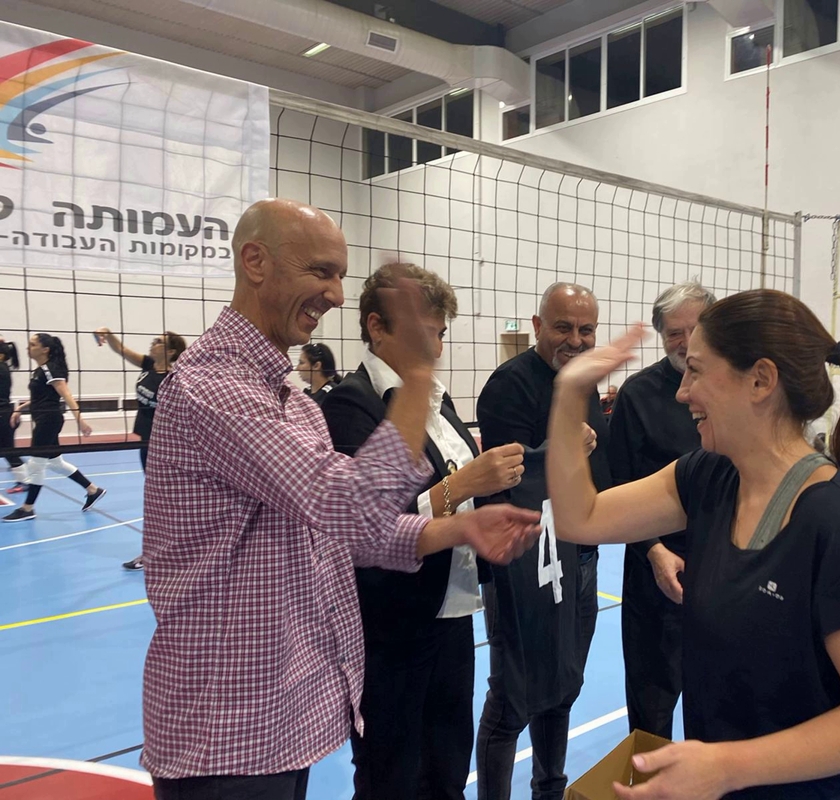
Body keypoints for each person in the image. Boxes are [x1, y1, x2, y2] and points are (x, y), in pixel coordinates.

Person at [140, 198, 541, 800]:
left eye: (340, 275)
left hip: (281, 714)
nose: (334, 293)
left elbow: (353, 529)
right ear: (255, 261)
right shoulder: (213, 388)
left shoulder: (292, 401)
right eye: (320, 271)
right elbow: (349, 503)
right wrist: (417, 378)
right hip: (224, 723)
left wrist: (460, 529)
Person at [546, 289, 840, 800]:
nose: (682, 392)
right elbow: (578, 517)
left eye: (697, 371)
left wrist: (726, 766)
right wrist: (570, 392)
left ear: (761, 381)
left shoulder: (836, 524)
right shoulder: (709, 477)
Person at [321, 263, 526, 800]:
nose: (434, 348)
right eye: (423, 333)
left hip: (452, 612)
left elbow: (458, 491)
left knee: (448, 770)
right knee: (391, 776)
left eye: (439, 333)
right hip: (391, 624)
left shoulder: (439, 399)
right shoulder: (349, 404)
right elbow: (367, 525)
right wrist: (465, 483)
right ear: (377, 327)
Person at [474, 282, 611, 800]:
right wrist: (563, 448)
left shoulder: (584, 385)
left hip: (581, 559)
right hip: (522, 565)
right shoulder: (509, 386)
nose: (575, 340)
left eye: (586, 330)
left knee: (563, 685)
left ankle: (549, 790)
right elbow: (509, 478)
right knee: (513, 698)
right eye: (563, 327)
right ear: (537, 326)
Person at [607, 281, 715, 740]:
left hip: (724, 568)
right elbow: (619, 485)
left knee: (720, 702)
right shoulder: (638, 395)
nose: (685, 341)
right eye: (674, 332)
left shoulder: (733, 387)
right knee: (652, 707)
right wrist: (652, 549)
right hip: (656, 574)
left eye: (695, 329)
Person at [95, 327, 188, 570]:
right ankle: (164, 548)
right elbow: (121, 350)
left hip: (164, 445)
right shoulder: (148, 364)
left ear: (170, 351)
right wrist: (108, 334)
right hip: (145, 442)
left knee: (162, 501)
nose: (152, 343)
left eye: (158, 341)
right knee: (158, 500)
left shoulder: (175, 377)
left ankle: (154, 553)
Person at [3, 333, 105, 523]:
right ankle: (93, 490)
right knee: (55, 463)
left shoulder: (51, 369)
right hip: (44, 418)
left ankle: (27, 508)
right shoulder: (40, 370)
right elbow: (43, 396)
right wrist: (21, 408)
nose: (28, 348)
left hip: (48, 421)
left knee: (36, 463)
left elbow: (65, 394)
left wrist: (80, 420)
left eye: (33, 344)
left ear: (45, 349)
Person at [0, 339, 29, 493]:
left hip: (3, 415)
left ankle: (25, 481)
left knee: (8, 451)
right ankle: (24, 481)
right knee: (8, 450)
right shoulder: (4, 367)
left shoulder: (1, 368)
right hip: (5, 414)